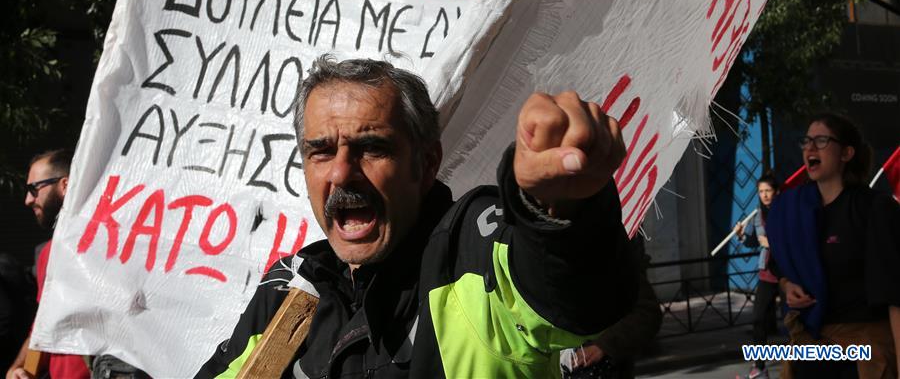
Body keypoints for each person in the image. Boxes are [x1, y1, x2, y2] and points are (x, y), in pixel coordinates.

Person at [196, 56, 638, 378]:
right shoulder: (293, 286)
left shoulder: (468, 248)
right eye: (322, 151)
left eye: (372, 147)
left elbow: (576, 296)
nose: (341, 172)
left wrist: (557, 213)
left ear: (427, 165)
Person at [767, 114, 900, 379]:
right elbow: (779, 264)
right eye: (806, 141)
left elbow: (896, 294)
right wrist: (787, 284)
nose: (810, 148)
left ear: (847, 153)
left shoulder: (874, 208)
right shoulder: (793, 209)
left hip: (863, 354)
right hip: (810, 350)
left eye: (822, 140)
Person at [6, 149, 90, 379]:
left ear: (65, 185)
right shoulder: (49, 253)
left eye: (35, 189)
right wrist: (22, 369)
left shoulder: (113, 248)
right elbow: (44, 325)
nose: (28, 200)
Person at [560, 236, 662, 379]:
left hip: (599, 371)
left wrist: (604, 345)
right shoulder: (535, 263)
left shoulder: (613, 261)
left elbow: (647, 313)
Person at [735, 171, 780, 379]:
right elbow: (754, 241)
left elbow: (794, 241)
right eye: (761, 191)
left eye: (768, 191)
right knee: (758, 319)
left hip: (787, 273)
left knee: (795, 321)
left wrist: (772, 244)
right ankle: (760, 366)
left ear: (776, 192)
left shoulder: (785, 212)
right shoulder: (757, 215)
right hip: (766, 273)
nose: (764, 195)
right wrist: (741, 235)